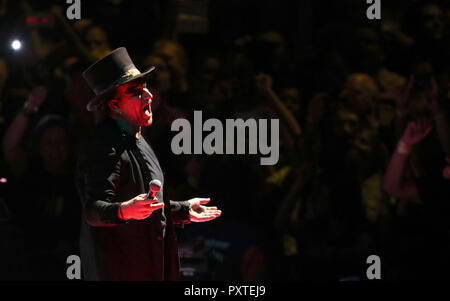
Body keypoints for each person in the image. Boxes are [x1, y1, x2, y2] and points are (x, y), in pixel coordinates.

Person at [76, 47, 221, 281]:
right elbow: (93, 210)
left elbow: (147, 206)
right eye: (135, 91)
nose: (148, 95)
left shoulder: (139, 139)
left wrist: (183, 210)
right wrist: (122, 210)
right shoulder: (104, 147)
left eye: (145, 86)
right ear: (114, 105)